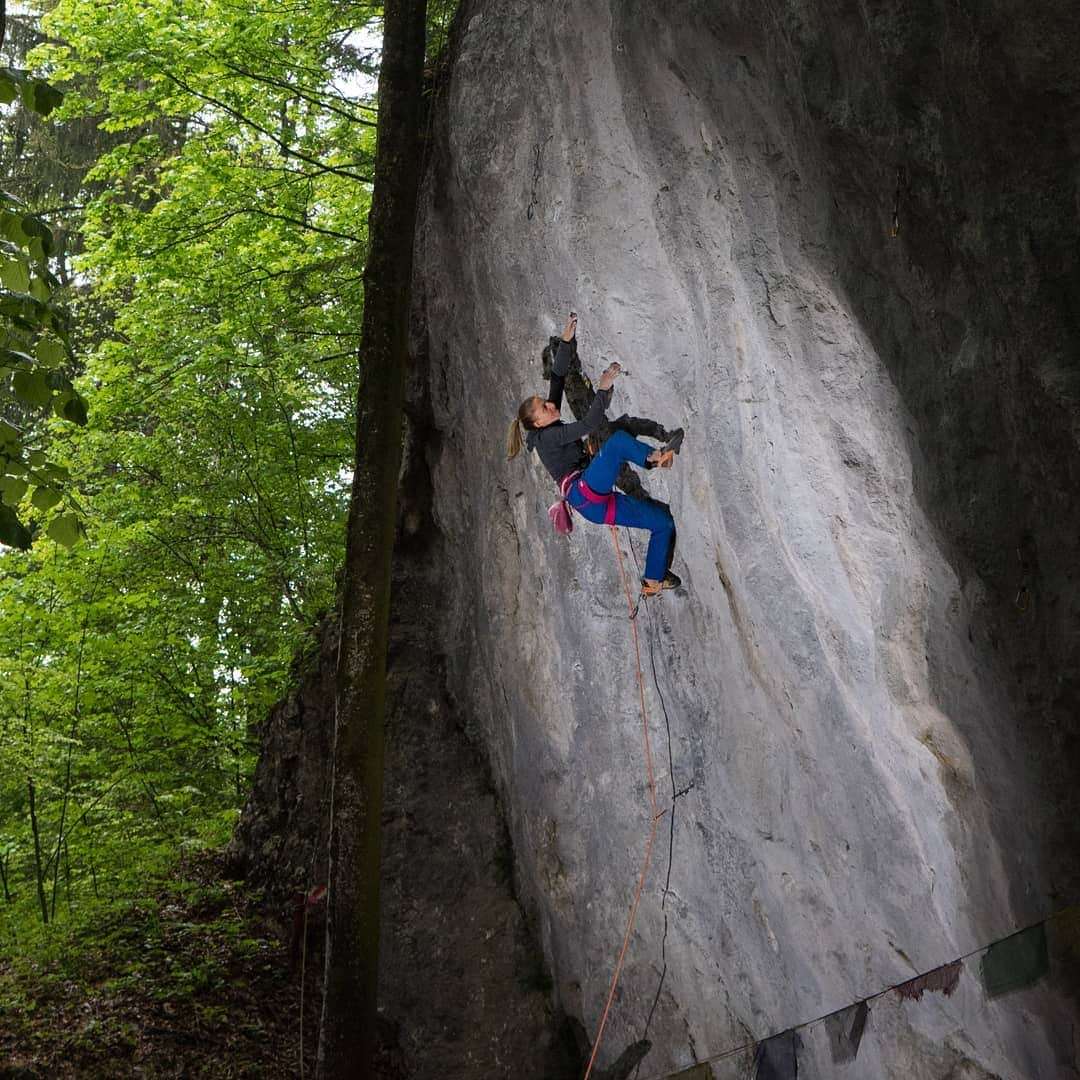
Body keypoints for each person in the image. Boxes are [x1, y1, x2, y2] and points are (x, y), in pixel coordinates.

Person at [506, 312, 683, 596]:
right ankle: (655, 458)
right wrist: (603, 389)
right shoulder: (548, 437)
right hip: (585, 491)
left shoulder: (546, 423)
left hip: (596, 503)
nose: (552, 407)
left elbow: (558, 377)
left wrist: (567, 341)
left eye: (546, 405)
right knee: (616, 443)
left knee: (662, 522)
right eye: (545, 408)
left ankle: (652, 581)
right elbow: (588, 424)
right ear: (538, 423)